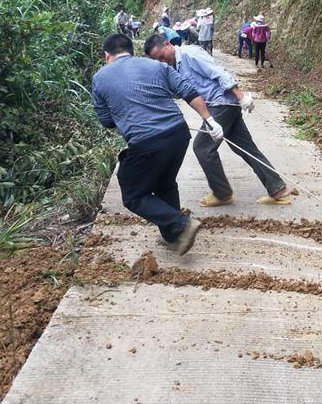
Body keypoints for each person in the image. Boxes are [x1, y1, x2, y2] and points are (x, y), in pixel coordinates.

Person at [91, 33, 224, 254]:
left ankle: (182, 225)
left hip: (146, 141)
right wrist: (209, 120)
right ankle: (174, 236)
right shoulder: (157, 67)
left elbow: (107, 121)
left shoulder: (100, 78)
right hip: (179, 134)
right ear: (131, 51)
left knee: (132, 192)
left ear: (107, 55)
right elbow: (188, 91)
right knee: (165, 183)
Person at [144, 33, 293, 207]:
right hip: (223, 105)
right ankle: (277, 188)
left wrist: (241, 97)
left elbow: (218, 72)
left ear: (168, 44)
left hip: (221, 104)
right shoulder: (175, 66)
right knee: (246, 147)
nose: (163, 61)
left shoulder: (189, 54)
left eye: (162, 56)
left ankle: (222, 193)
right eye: (158, 60)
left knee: (202, 147)